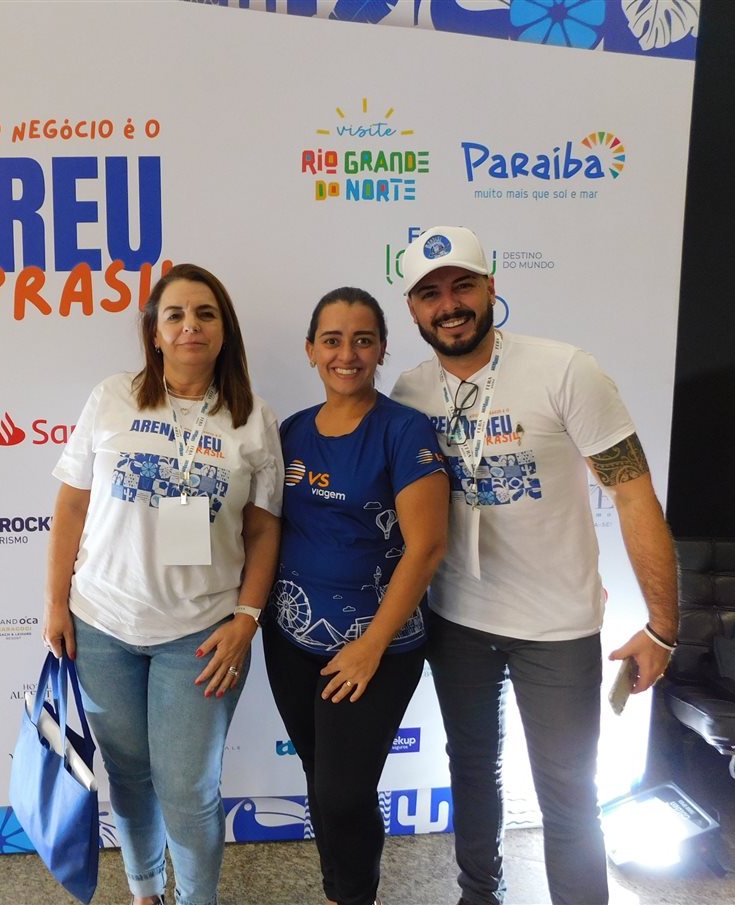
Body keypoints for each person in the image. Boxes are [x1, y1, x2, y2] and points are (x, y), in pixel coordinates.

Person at [390, 226, 679, 905]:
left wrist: (664, 624)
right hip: (457, 621)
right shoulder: (407, 392)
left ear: (492, 288)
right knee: (471, 772)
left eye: (462, 285)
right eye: (430, 293)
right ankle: (478, 894)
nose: (449, 304)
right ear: (413, 309)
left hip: (558, 628)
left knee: (569, 794)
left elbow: (633, 491)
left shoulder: (564, 369)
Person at [42, 263, 283, 905]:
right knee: (127, 774)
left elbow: (263, 533)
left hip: (202, 634)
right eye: (174, 315)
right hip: (103, 622)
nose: (190, 326)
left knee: (188, 788)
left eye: (205, 313)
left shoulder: (253, 418)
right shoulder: (112, 397)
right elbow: (70, 507)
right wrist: (56, 603)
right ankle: (145, 891)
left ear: (223, 329)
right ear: (154, 332)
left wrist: (246, 620)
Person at [264, 288, 449, 905]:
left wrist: (371, 646)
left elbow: (425, 548)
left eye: (363, 339)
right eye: (334, 339)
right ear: (312, 349)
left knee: (346, 791)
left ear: (382, 349)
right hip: (290, 639)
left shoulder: (404, 430)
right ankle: (335, 887)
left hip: (377, 647)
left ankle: (355, 896)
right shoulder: (290, 431)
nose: (348, 353)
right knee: (322, 781)